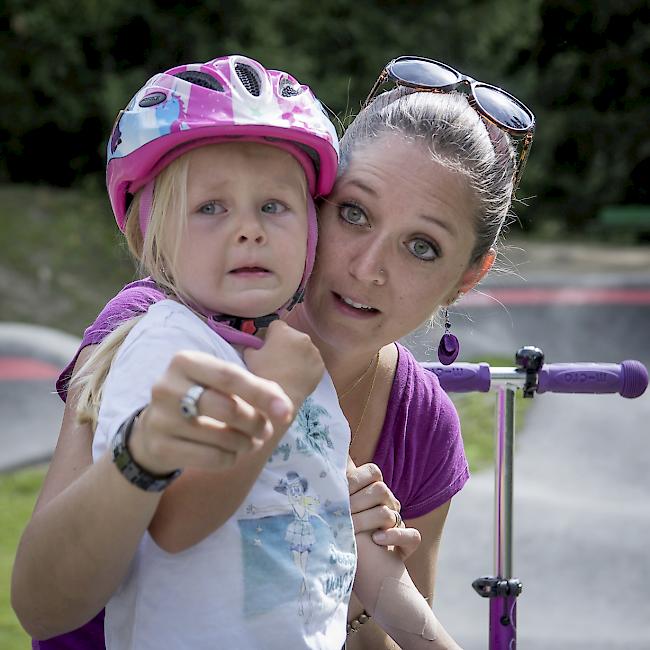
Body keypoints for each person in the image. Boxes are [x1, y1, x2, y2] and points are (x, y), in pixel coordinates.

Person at [12, 54, 534, 649]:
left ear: (466, 279)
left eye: (421, 246)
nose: (368, 270)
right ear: (317, 206)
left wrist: (348, 569)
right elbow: (45, 608)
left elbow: (387, 619)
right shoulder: (158, 331)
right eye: (354, 213)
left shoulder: (420, 424)